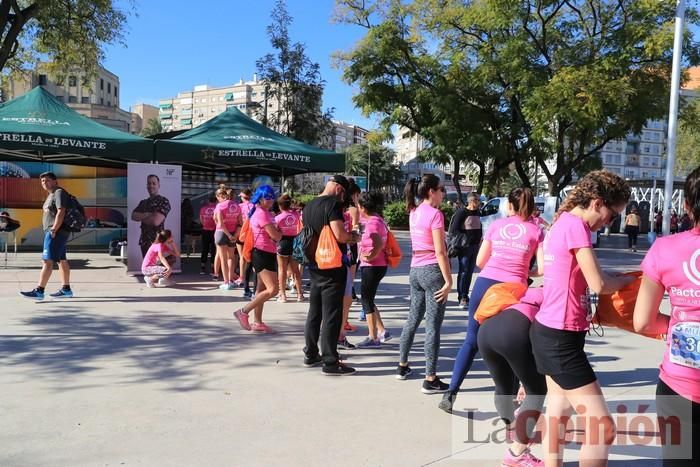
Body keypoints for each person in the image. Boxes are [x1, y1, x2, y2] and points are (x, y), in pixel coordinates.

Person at [530, 170, 632, 466]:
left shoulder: (562, 223)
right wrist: (632, 282)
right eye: (613, 215)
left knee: (558, 412)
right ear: (598, 202)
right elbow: (599, 284)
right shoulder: (576, 227)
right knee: (603, 428)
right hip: (560, 338)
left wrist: (618, 277)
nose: (610, 222)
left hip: (550, 331)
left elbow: (590, 277)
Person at [440, 187, 544, 412]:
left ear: (510, 206)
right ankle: (511, 399)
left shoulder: (496, 226)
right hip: (514, 290)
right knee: (512, 343)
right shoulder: (536, 231)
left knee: (471, 339)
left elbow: (480, 261)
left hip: (485, 284)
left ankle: (451, 393)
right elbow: (543, 268)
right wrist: (523, 269)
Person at [634, 166, 700, 467]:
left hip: (679, 384)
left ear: (686, 205)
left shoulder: (664, 249)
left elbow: (643, 321)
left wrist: (676, 327)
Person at [477, 287, 547, 467]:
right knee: (537, 391)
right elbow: (543, 343)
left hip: (486, 331)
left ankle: (512, 429)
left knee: (503, 387)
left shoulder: (528, 292)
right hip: (514, 332)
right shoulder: (556, 296)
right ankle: (517, 454)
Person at [396, 175, 452, 393]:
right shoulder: (436, 215)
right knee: (432, 326)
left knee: (413, 318)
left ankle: (402, 366)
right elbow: (440, 251)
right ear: (431, 191)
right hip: (432, 271)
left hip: (415, 270)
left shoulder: (414, 212)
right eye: (441, 189)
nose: (443, 193)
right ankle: (430, 378)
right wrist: (448, 280)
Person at [301, 175, 360, 375]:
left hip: (314, 263)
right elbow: (340, 235)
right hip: (332, 265)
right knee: (332, 315)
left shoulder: (309, 206)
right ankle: (330, 361)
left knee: (314, 311)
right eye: (343, 193)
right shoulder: (332, 205)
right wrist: (354, 236)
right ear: (337, 188)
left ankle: (310, 353)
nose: (342, 197)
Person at [233, 185, 282, 333]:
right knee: (273, 289)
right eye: (267, 197)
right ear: (259, 199)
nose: (271, 200)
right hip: (262, 253)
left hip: (263, 252)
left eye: (272, 197)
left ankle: (258, 322)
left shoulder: (260, 211)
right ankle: (243, 312)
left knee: (261, 288)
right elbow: (276, 236)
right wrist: (279, 231)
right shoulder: (262, 213)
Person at [20, 172, 75, 299]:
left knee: (47, 261)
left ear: (56, 181)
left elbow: (61, 211)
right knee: (62, 261)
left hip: (55, 232)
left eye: (47, 180)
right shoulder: (51, 195)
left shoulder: (59, 192)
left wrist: (54, 229)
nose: (44, 183)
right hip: (57, 232)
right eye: (43, 181)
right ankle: (66, 289)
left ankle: (39, 291)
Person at [355, 192, 392, 349]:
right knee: (369, 298)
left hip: (372, 266)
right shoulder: (377, 219)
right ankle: (382, 330)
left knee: (366, 300)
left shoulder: (372, 223)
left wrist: (369, 256)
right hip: (378, 265)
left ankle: (373, 337)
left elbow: (377, 243)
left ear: (363, 207)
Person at [448, 192, 482, 309]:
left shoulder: (478, 212)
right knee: (464, 272)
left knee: (470, 272)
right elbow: (454, 230)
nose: (479, 202)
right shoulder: (461, 212)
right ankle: (461, 297)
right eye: (477, 200)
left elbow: (479, 228)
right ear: (471, 201)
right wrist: (465, 240)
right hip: (464, 247)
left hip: (475, 246)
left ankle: (466, 295)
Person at [131, 174, 171, 258]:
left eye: (153, 183)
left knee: (157, 269)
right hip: (144, 242)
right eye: (149, 183)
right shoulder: (143, 202)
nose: (151, 186)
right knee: (147, 269)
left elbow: (155, 221)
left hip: (157, 243)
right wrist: (148, 214)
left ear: (158, 185)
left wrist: (141, 217)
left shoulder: (164, 201)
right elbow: (133, 216)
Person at [275, 194, 304, 302]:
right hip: (295, 242)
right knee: (296, 270)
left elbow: (275, 232)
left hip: (283, 242)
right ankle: (300, 294)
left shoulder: (278, 218)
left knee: (281, 270)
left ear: (280, 206)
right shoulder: (296, 215)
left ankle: (282, 295)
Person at [213, 185, 241, 290]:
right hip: (233, 233)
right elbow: (240, 223)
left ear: (219, 196)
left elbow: (219, 223)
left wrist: (229, 235)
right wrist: (234, 235)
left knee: (223, 258)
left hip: (221, 233)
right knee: (231, 257)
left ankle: (226, 282)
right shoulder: (237, 205)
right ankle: (231, 280)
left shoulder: (219, 206)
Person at [236, 188, 255, 297]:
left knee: (242, 256)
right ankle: (257, 278)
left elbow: (237, 221)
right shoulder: (254, 206)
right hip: (252, 233)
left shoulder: (239, 207)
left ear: (243, 197)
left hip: (242, 233)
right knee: (252, 257)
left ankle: (242, 277)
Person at [199, 194, 217, 275]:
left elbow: (201, 220)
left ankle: (202, 268)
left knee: (204, 249)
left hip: (205, 230)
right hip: (215, 231)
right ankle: (213, 268)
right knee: (214, 250)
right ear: (216, 200)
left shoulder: (203, 208)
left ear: (208, 201)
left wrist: (206, 225)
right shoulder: (217, 208)